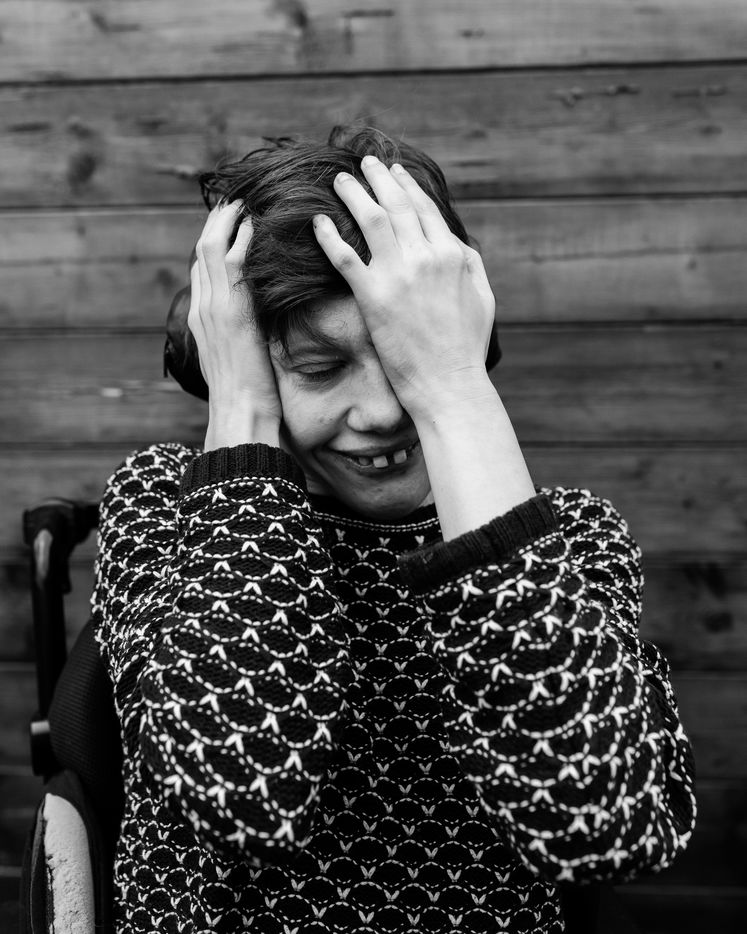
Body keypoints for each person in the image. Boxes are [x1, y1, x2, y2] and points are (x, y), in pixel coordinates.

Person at [92, 126, 696, 934]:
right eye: (320, 367)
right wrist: (240, 411)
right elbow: (237, 795)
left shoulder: (573, 539)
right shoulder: (168, 509)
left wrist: (454, 393)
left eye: (409, 354)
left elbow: (602, 826)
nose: (380, 413)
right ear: (228, 360)